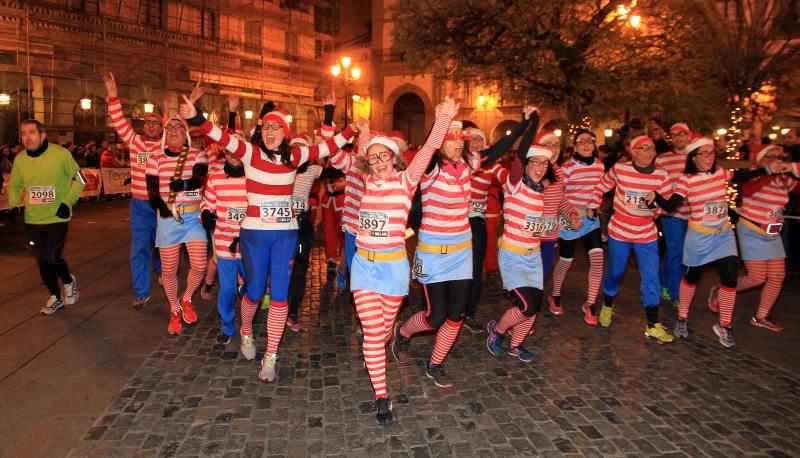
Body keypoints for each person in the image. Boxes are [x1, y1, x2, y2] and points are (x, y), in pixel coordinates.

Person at [181, 94, 355, 383]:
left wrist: (352, 129)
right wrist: (196, 117)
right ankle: (246, 332)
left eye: (277, 129)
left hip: (285, 235)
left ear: (285, 134)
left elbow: (327, 146)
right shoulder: (251, 153)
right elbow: (222, 138)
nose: (271, 132)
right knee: (253, 289)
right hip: (254, 235)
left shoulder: (294, 157)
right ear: (261, 133)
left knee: (279, 295)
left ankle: (271, 355)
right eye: (267, 128)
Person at [392, 107, 534, 388]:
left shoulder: (469, 164)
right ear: (439, 140)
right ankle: (404, 332)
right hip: (432, 254)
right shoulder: (430, 166)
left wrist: (524, 124)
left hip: (461, 254)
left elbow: (501, 147)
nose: (458, 142)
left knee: (456, 315)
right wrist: (441, 120)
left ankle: (436, 363)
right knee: (435, 316)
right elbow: (431, 145)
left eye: (461, 137)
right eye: (450, 136)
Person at [345, 97, 456, 424]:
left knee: (381, 334)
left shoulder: (406, 182)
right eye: (373, 158)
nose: (378, 162)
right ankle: (382, 395)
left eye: (384, 156)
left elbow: (425, 154)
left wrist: (443, 120)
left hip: (393, 270)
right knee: (371, 330)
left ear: (394, 158)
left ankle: (379, 345)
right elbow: (364, 149)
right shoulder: (366, 180)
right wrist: (364, 133)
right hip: (364, 266)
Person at [649, 137, 774, 347]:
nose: (709, 157)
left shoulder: (720, 172)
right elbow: (671, 207)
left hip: (723, 234)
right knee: (692, 277)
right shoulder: (686, 180)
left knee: (730, 278)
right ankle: (682, 317)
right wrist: (656, 196)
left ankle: (724, 325)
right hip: (699, 236)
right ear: (694, 158)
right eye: (704, 153)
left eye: (711, 153)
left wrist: (766, 170)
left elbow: (741, 176)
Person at [587, 136, 674, 343]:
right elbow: (601, 185)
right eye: (643, 148)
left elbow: (668, 205)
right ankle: (608, 304)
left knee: (651, 277)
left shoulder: (662, 175)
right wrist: (592, 204)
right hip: (620, 231)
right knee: (616, 272)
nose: (649, 151)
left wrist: (655, 206)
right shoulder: (621, 169)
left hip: (646, 233)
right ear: (633, 152)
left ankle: (652, 324)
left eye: (652, 148)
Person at [462, 118, 532, 333]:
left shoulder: (491, 166)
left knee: (474, 270)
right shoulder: (457, 162)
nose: (475, 142)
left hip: (475, 221)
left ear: (485, 145)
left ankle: (469, 313)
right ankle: (447, 308)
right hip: (452, 223)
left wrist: (524, 176)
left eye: (479, 139)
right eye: (472, 138)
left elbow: (509, 177)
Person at [484, 140, 552, 362]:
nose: (541, 167)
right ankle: (497, 331)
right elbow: (518, 159)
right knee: (526, 305)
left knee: (534, 307)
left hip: (534, 256)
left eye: (545, 163)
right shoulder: (514, 184)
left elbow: (536, 224)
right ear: (525, 164)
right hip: (512, 255)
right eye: (535, 162)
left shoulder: (540, 190)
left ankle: (516, 345)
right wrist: (530, 123)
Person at [8, 120, 84, 314]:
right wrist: (14, 204)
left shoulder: (61, 154)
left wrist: (67, 203)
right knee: (42, 261)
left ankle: (68, 280)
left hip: (57, 218)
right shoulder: (20, 159)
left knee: (52, 256)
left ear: (42, 135)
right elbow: (15, 186)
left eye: (32, 132)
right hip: (33, 220)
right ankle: (56, 296)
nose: (27, 137)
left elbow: (80, 179)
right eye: (23, 133)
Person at [104, 73, 164, 307]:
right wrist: (112, 94)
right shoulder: (134, 142)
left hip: (160, 205)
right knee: (139, 248)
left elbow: (182, 129)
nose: (150, 125)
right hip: (139, 205)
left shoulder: (165, 146)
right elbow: (119, 121)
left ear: (161, 128)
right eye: (147, 121)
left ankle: (162, 271)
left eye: (155, 122)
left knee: (161, 245)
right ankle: (141, 292)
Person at [146, 113, 208, 335]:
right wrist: (164, 210)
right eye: (169, 127)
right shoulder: (155, 160)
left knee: (200, 265)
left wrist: (181, 183)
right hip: (168, 220)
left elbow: (199, 179)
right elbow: (152, 192)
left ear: (185, 134)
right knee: (169, 271)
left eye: (178, 127)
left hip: (193, 218)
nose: (173, 130)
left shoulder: (198, 154)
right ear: (164, 133)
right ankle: (174, 309)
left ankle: (187, 297)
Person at [734, 144, 798, 332]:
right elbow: (747, 192)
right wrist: (769, 173)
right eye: (772, 156)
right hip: (752, 230)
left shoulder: (784, 180)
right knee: (756, 278)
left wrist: (793, 168)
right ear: (761, 160)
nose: (778, 159)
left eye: (781, 156)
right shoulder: (756, 176)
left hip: (772, 232)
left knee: (777, 276)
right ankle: (721, 289)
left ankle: (760, 316)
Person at [548, 129, 605, 325]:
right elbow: (559, 194)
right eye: (581, 141)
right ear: (575, 146)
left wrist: (594, 205)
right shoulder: (567, 167)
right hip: (568, 219)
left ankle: (590, 303)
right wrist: (569, 215)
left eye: (590, 141)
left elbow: (599, 190)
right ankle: (555, 295)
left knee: (598, 260)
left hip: (590, 220)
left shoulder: (600, 166)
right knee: (566, 260)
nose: (586, 144)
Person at [200, 148, 247, 344]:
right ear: (225, 155)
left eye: (239, 151)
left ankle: (248, 319)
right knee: (227, 290)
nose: (234, 156)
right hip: (225, 244)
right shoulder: (215, 178)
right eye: (230, 152)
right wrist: (205, 215)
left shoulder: (255, 177)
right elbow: (206, 204)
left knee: (253, 289)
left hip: (250, 246)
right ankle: (227, 327)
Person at [655, 123, 692, 305]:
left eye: (682, 134)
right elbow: (653, 181)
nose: (678, 138)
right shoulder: (662, 159)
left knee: (679, 252)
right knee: (678, 251)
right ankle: (677, 294)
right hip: (671, 213)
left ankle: (663, 281)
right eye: (674, 135)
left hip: (694, 213)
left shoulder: (697, 158)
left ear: (689, 136)